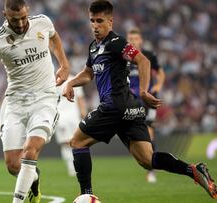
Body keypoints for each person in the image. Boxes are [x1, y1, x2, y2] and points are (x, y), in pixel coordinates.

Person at [63, 0, 216, 199]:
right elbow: (88, 73)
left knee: (77, 142)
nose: (95, 26)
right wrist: (70, 83)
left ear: (110, 21)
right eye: (92, 21)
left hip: (114, 106)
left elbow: (143, 60)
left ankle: (87, 196)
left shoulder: (115, 42)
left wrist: (144, 90)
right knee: (147, 159)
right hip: (131, 109)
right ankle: (193, 170)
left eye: (99, 21)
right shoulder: (94, 47)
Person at [0, 0, 70, 202]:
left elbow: (54, 38)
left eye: (23, 18)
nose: (19, 24)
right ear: (4, 15)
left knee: (30, 151)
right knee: (13, 166)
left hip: (44, 98)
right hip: (15, 102)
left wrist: (63, 64)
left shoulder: (43, 22)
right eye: (14, 19)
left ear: (28, 11)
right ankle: (33, 180)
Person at [126, 27, 166, 183]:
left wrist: (158, 86)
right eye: (130, 38)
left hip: (148, 99)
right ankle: (146, 161)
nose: (133, 41)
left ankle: (151, 169)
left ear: (140, 40)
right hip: (130, 100)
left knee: (149, 132)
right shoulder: (123, 56)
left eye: (135, 38)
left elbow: (160, 72)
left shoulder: (149, 55)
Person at [55, 75, 87, 177]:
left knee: (65, 144)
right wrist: (84, 115)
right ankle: (76, 167)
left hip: (60, 117)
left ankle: (71, 168)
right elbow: (80, 99)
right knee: (76, 142)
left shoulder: (54, 81)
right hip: (74, 116)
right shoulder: (76, 79)